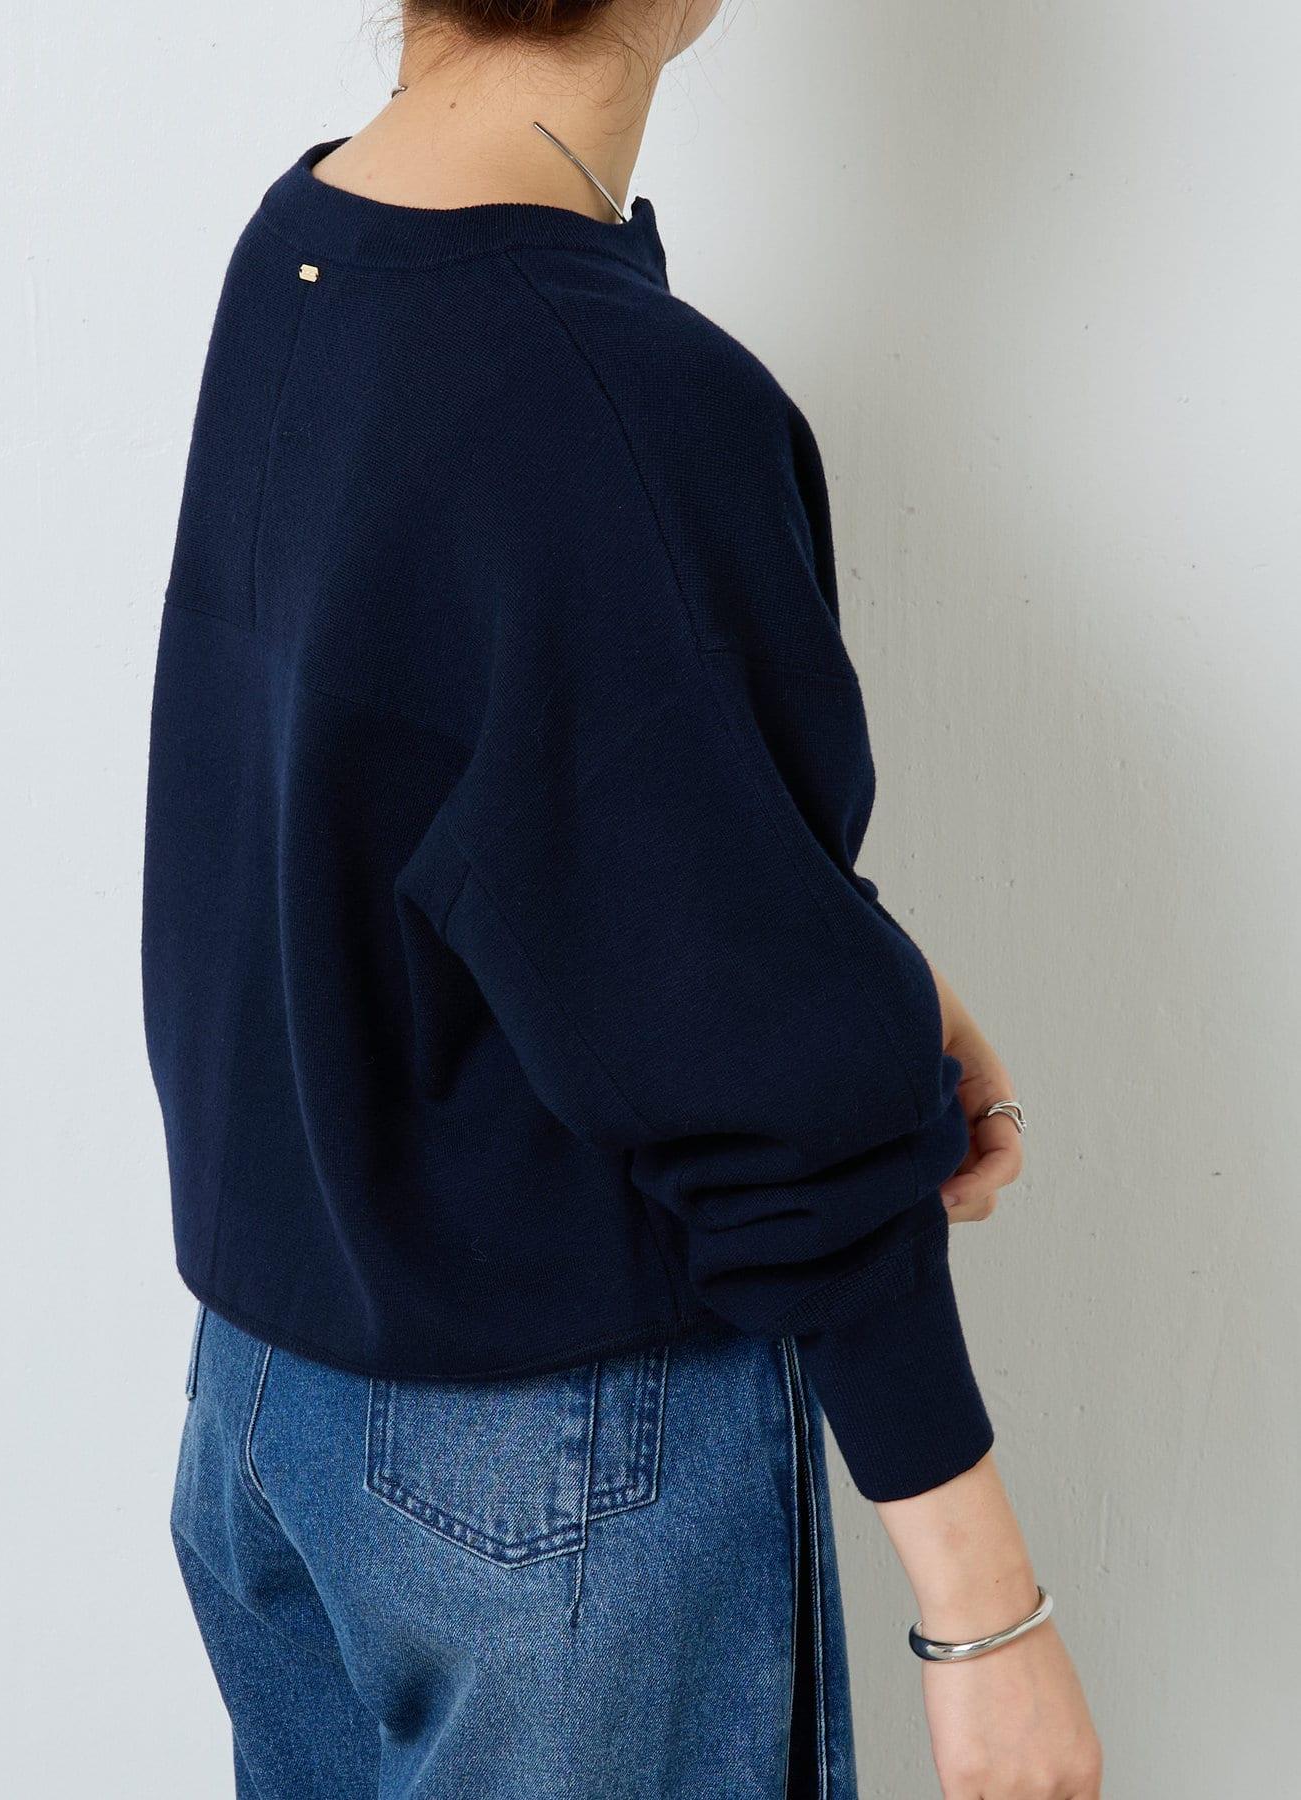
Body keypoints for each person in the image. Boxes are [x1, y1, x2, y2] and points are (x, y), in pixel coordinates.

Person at [141, 1, 1103, 1794]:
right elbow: (769, 1082)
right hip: (546, 1479)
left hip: (272, 1414)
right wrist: (987, 1618)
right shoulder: (615, 395)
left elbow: (472, 821)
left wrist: (872, 980)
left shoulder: (309, 246)